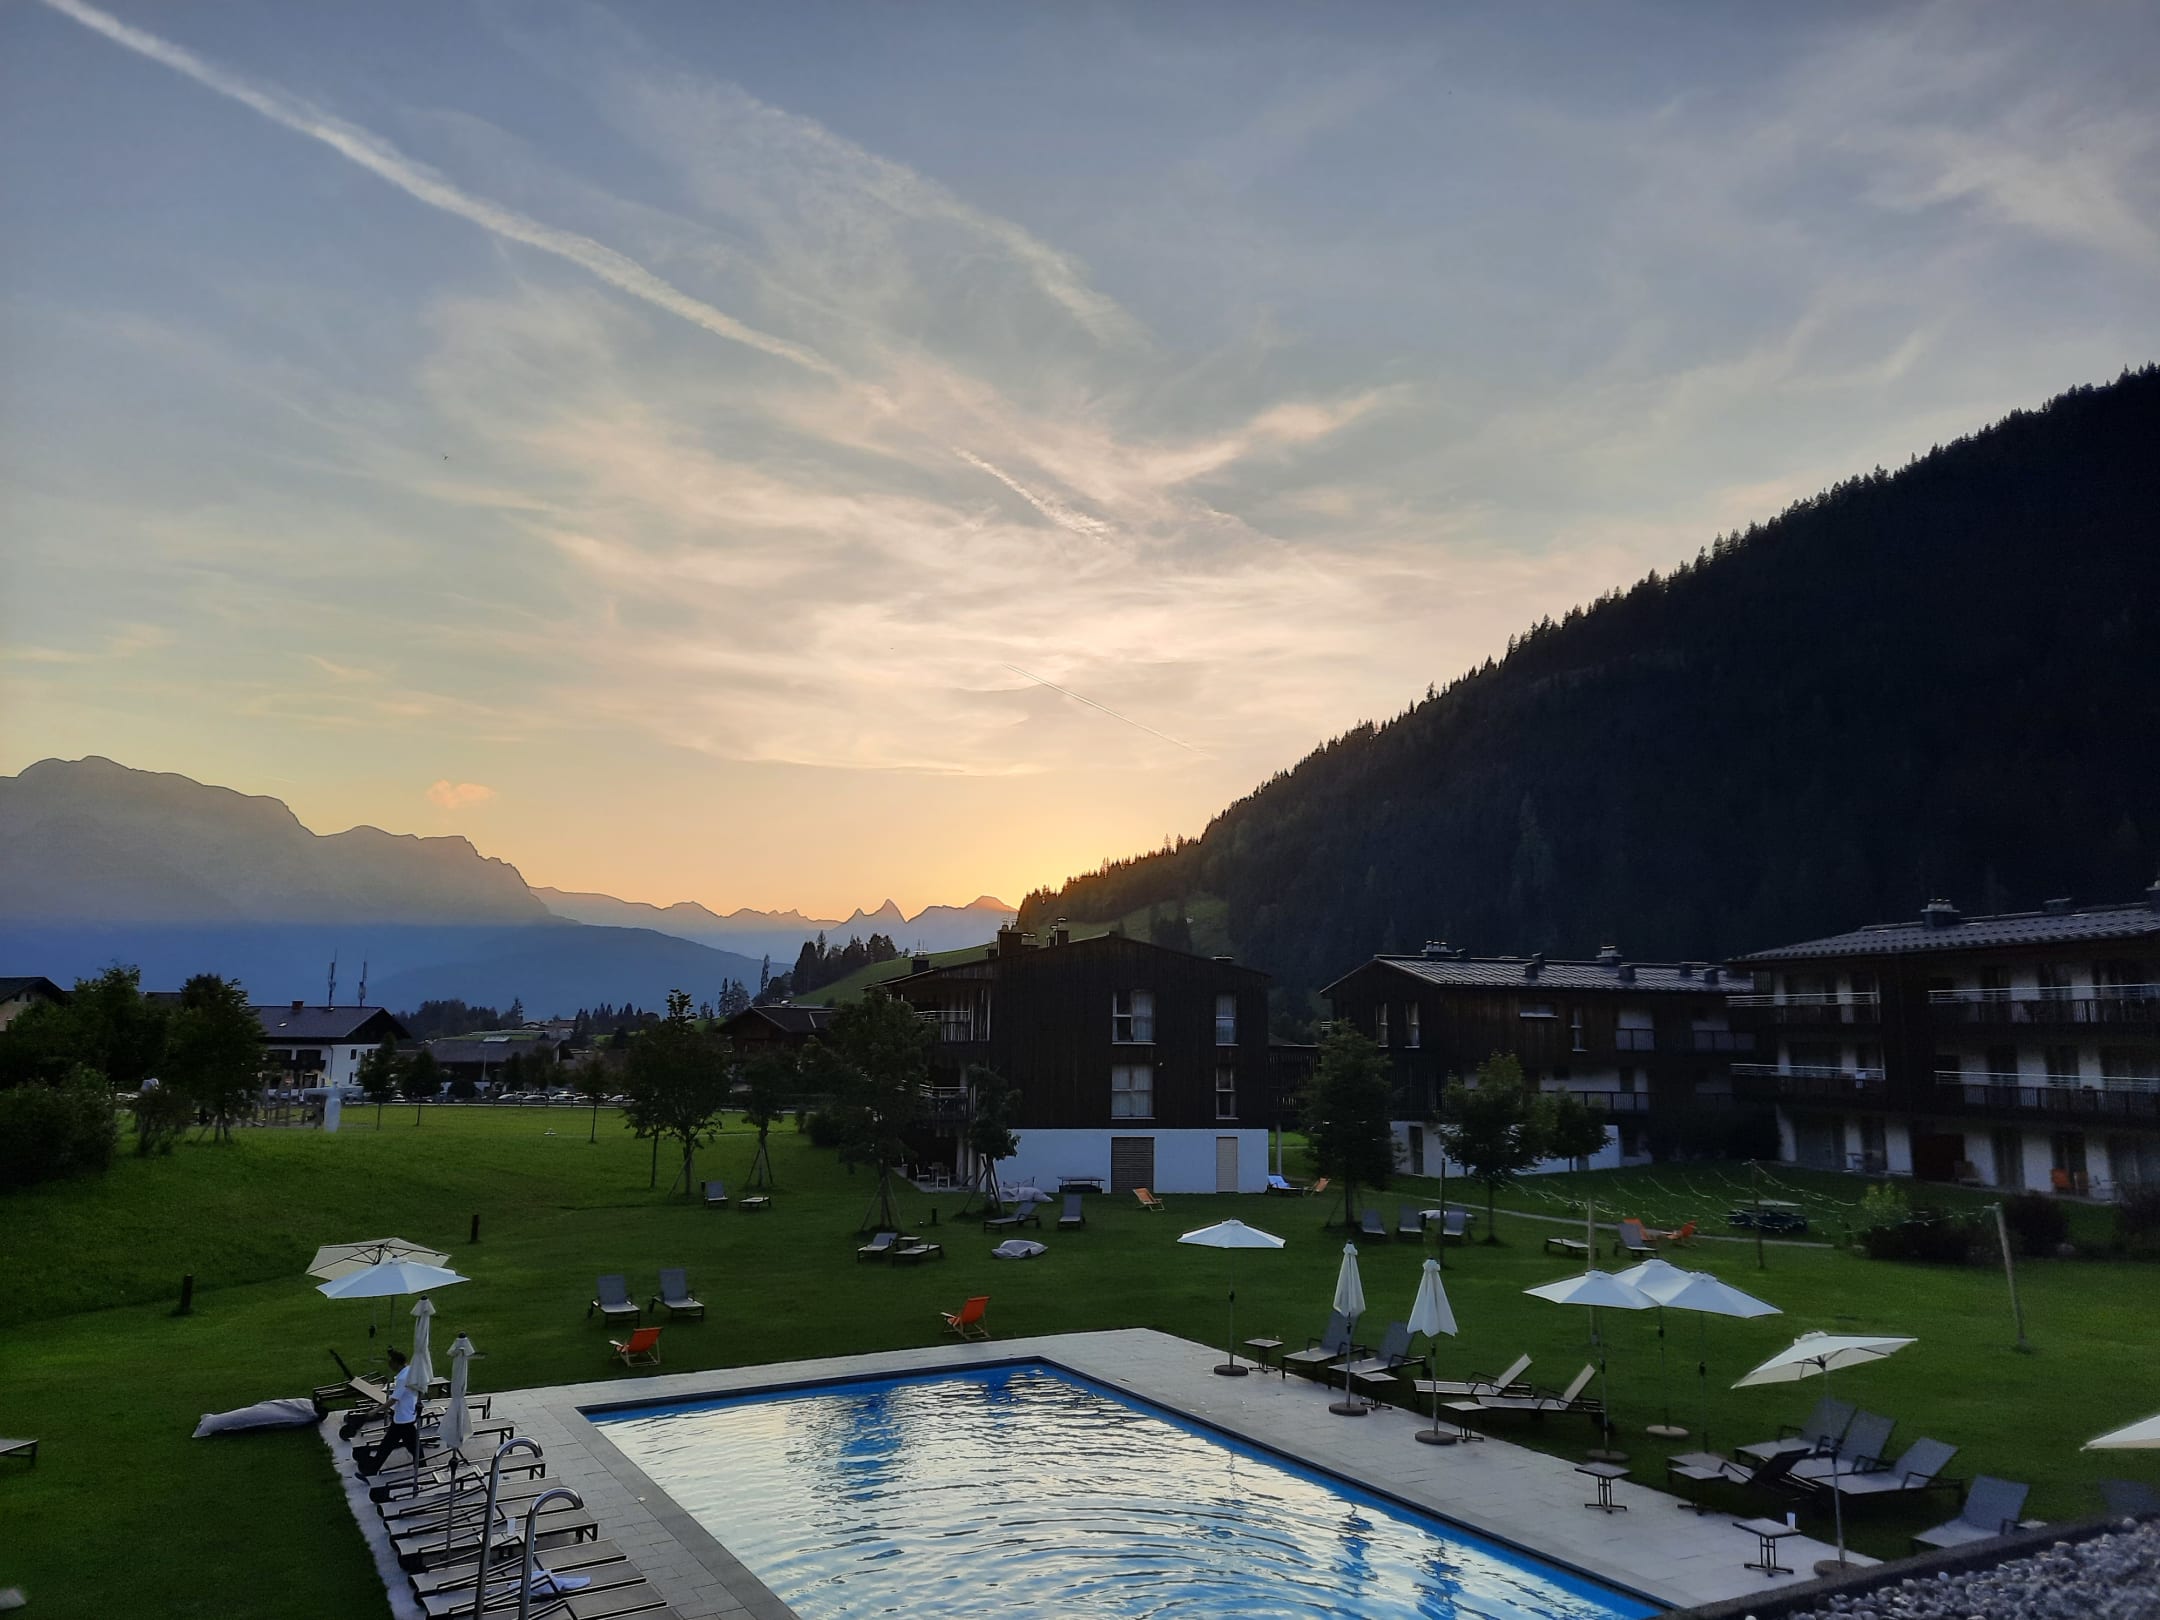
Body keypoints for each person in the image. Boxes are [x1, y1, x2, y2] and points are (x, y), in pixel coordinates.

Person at [353, 1348, 422, 1478]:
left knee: (390, 1445)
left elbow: (394, 1399)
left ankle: (372, 1470)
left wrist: (375, 1411)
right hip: (406, 1415)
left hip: (403, 1418)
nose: (389, 1365)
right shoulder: (409, 1371)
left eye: (391, 1362)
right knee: (408, 1444)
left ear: (397, 1363)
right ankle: (422, 1465)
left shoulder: (403, 1378)